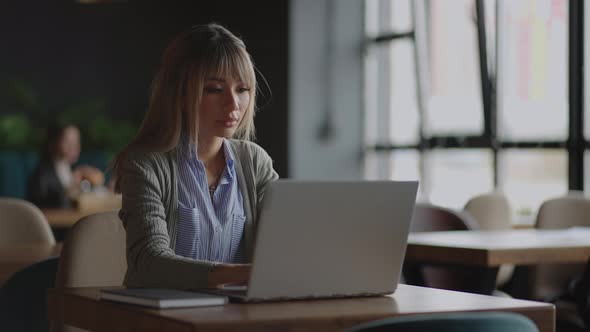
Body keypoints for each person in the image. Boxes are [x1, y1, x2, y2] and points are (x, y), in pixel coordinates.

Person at [112, 23, 279, 290]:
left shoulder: (255, 162)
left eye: (242, 89)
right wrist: (235, 275)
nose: (233, 104)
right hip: (162, 319)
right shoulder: (145, 164)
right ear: (179, 92)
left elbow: (284, 244)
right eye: (214, 89)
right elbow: (148, 262)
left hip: (237, 316)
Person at [27, 124, 104, 208]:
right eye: (67, 141)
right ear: (52, 143)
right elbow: (43, 202)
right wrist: (72, 187)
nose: (74, 146)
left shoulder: (73, 169)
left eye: (77, 141)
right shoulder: (42, 174)